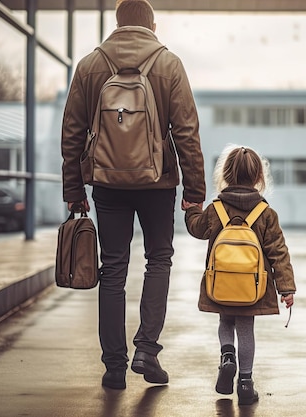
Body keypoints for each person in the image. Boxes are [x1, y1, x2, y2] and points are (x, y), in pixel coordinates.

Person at [61, 0, 205, 390]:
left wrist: (74, 190)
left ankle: (113, 366)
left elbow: (72, 132)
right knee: (158, 259)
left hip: (107, 183)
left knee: (112, 268)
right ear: (152, 26)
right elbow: (187, 133)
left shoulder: (91, 65)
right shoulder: (168, 64)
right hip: (157, 183)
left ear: (118, 24)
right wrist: (195, 192)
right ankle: (147, 350)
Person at [183, 144, 296, 405]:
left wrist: (191, 209)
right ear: (259, 177)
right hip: (252, 288)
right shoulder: (266, 213)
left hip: (222, 282)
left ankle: (227, 356)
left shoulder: (216, 209)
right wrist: (286, 288)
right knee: (246, 329)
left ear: (225, 174)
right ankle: (245, 383)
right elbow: (279, 252)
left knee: (226, 322)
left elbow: (197, 229)